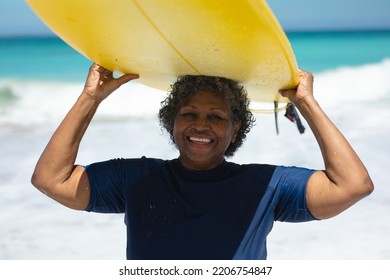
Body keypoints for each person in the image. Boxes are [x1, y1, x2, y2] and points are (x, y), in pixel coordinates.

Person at [31, 63, 374, 259]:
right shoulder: (135, 178)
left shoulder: (265, 185)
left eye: (216, 117)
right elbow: (51, 180)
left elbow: (353, 185)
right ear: (172, 121)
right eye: (189, 113)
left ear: (235, 126)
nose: (201, 125)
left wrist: (305, 103)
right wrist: (90, 97)